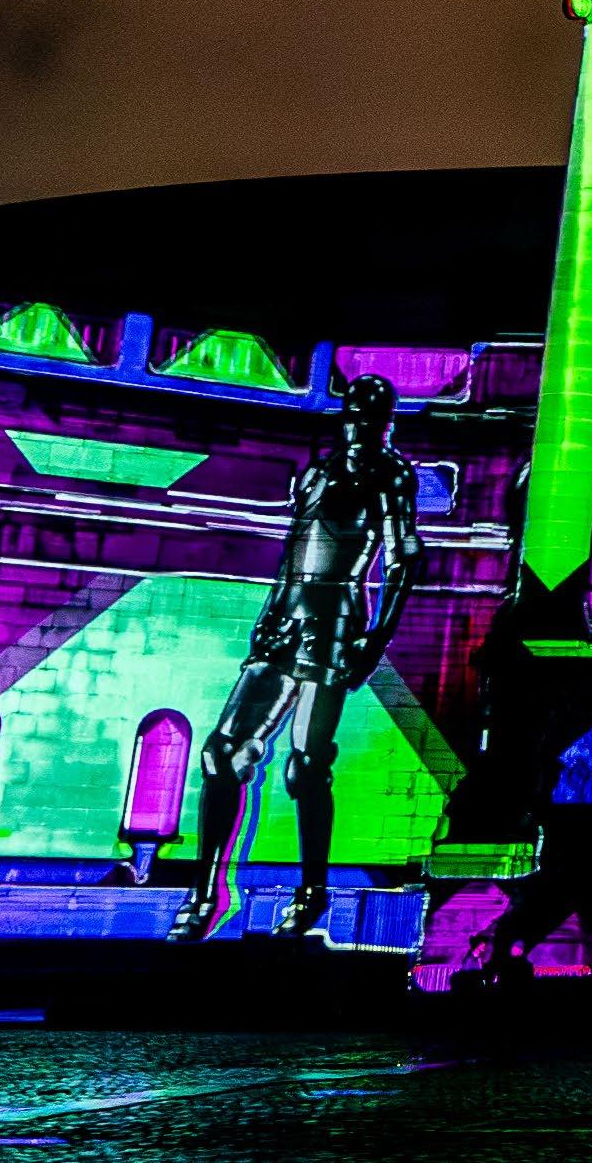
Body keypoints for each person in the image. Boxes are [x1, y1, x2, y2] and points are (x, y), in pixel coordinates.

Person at [170, 375, 422, 941]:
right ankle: (205, 893)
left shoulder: (387, 475)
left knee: (305, 766)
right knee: (221, 753)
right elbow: (294, 554)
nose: (358, 428)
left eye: (368, 419)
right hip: (285, 621)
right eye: (353, 417)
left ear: (383, 424)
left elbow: (404, 558)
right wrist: (269, 617)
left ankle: (311, 894)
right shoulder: (318, 473)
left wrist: (374, 639)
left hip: (334, 626)